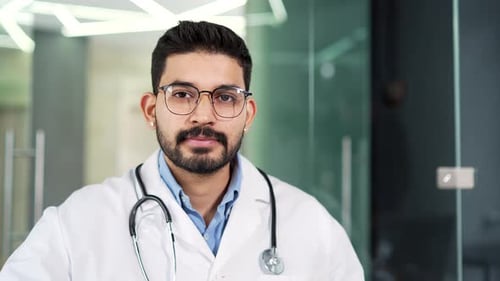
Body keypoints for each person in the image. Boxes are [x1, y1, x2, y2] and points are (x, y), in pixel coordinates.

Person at [0, 21, 364, 280]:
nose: (203, 115)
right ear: (150, 110)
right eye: (182, 95)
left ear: (247, 113)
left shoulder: (311, 225)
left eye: (225, 97)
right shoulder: (74, 225)